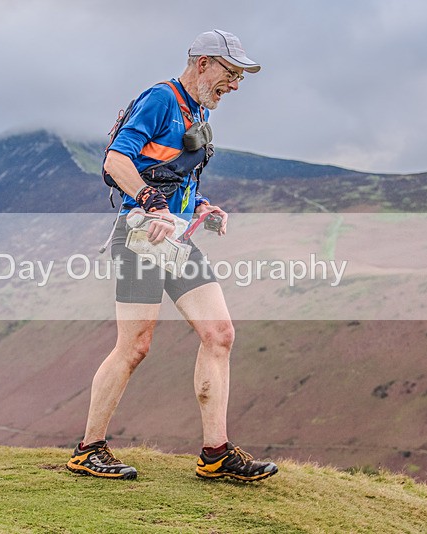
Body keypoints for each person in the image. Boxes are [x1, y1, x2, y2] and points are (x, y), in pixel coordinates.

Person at [67, 30, 278, 481]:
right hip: (142, 235)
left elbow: (173, 176)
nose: (235, 85)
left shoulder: (199, 109)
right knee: (134, 346)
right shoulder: (161, 98)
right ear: (203, 63)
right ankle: (88, 449)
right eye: (230, 73)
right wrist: (150, 202)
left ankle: (216, 454)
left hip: (176, 238)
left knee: (219, 334)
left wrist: (202, 206)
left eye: (240, 77)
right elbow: (115, 161)